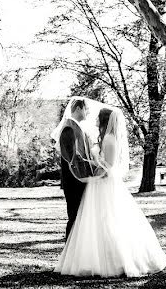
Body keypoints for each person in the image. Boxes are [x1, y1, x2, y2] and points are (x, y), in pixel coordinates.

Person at [54, 102, 166, 277]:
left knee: (108, 220)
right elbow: (82, 159)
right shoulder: (81, 132)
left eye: (98, 118)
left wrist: (94, 170)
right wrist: (92, 168)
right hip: (94, 184)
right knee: (94, 222)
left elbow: (108, 166)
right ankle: (90, 258)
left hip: (104, 184)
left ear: (105, 120)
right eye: (89, 111)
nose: (95, 120)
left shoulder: (109, 139)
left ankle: (114, 260)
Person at [51, 97, 98, 240]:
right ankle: (69, 250)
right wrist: (94, 166)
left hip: (80, 180)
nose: (88, 113)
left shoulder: (77, 128)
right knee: (74, 216)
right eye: (86, 109)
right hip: (73, 181)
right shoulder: (68, 129)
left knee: (81, 217)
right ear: (78, 109)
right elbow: (72, 158)